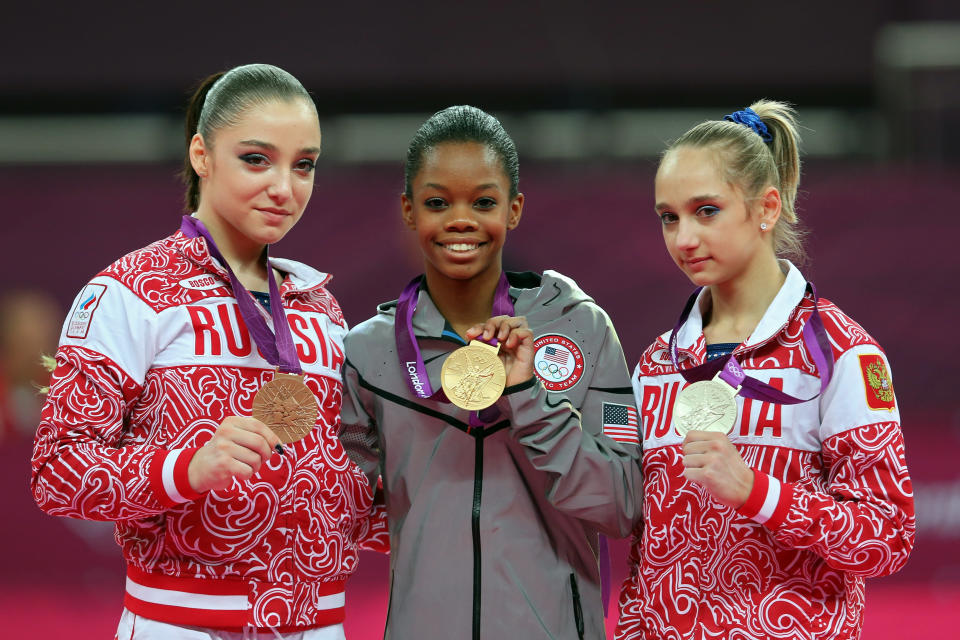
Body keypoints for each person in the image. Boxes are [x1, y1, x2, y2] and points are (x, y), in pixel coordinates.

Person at [31, 63, 385, 640]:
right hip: (182, 624)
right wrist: (187, 468)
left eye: (304, 165)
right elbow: (58, 471)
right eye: (256, 159)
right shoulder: (132, 291)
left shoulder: (321, 308)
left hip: (322, 625)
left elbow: (344, 489)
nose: (284, 187)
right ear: (202, 154)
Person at [338, 105, 644, 640]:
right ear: (409, 211)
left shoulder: (584, 329)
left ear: (515, 208)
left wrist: (528, 394)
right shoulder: (369, 354)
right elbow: (343, 510)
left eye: (483, 201)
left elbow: (622, 503)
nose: (461, 219)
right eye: (437, 202)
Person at [614, 100, 916, 639]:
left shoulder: (841, 355)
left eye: (707, 210)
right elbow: (632, 533)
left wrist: (758, 491)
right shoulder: (655, 365)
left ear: (767, 208)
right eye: (669, 216)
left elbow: (887, 536)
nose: (684, 238)